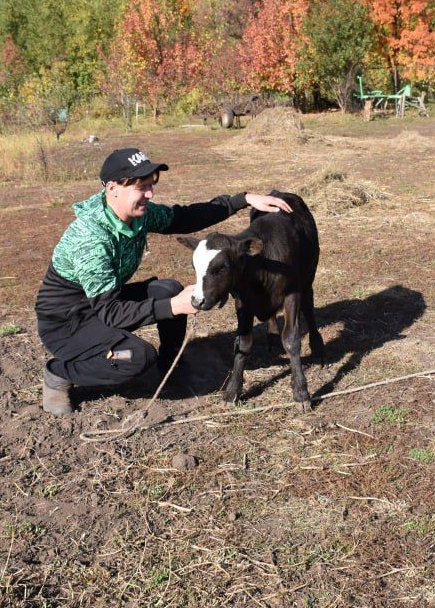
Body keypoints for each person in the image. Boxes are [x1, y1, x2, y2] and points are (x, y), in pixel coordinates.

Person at [35, 147, 291, 416]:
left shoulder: (136, 214)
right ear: (113, 188)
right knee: (137, 356)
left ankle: (170, 367)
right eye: (141, 187)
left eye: (151, 185)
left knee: (168, 289)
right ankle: (58, 373)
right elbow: (110, 312)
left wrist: (243, 200)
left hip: (101, 301)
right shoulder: (91, 239)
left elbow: (184, 217)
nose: (150, 194)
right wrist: (174, 307)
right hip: (66, 321)